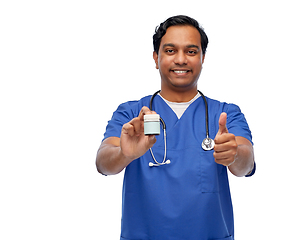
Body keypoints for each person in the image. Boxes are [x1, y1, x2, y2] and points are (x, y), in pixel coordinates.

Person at [96, 15, 255, 240]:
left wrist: (235, 154)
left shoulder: (226, 114)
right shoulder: (131, 113)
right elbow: (103, 162)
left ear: (203, 57)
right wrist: (124, 153)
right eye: (170, 50)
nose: (181, 59)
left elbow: (246, 164)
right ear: (155, 57)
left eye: (191, 51)